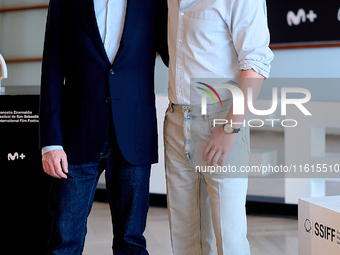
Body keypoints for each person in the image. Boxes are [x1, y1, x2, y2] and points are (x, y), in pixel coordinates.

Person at [39, 0, 168, 254]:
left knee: (131, 242)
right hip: (75, 138)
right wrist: (50, 142)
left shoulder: (154, 2)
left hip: (133, 135)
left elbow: (176, 52)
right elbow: (52, 68)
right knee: (63, 242)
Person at [165, 0, 274, 254]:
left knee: (230, 239)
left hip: (222, 119)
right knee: (185, 240)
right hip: (177, 119)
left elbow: (256, 63)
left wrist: (229, 128)